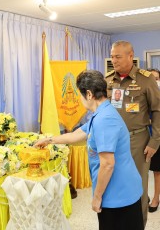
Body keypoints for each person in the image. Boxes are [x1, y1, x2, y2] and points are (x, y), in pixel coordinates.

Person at [35, 70, 144, 230]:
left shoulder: (104, 119)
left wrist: (97, 197)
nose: (79, 100)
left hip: (118, 193)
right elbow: (78, 134)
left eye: (80, 95)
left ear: (89, 94)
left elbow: (107, 164)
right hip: (119, 188)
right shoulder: (101, 113)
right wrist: (49, 140)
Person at [105, 40, 160, 226]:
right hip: (112, 141)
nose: (114, 60)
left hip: (138, 141)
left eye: (117, 56)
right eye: (112, 56)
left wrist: (154, 142)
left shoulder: (146, 79)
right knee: (113, 182)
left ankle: (138, 224)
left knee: (137, 186)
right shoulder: (108, 80)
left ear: (130, 56)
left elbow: (158, 111)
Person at [148, 68, 160, 213]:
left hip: (157, 137)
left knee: (157, 170)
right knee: (142, 170)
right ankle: (144, 197)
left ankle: (156, 197)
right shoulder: (140, 95)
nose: (154, 81)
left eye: (156, 78)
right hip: (143, 137)